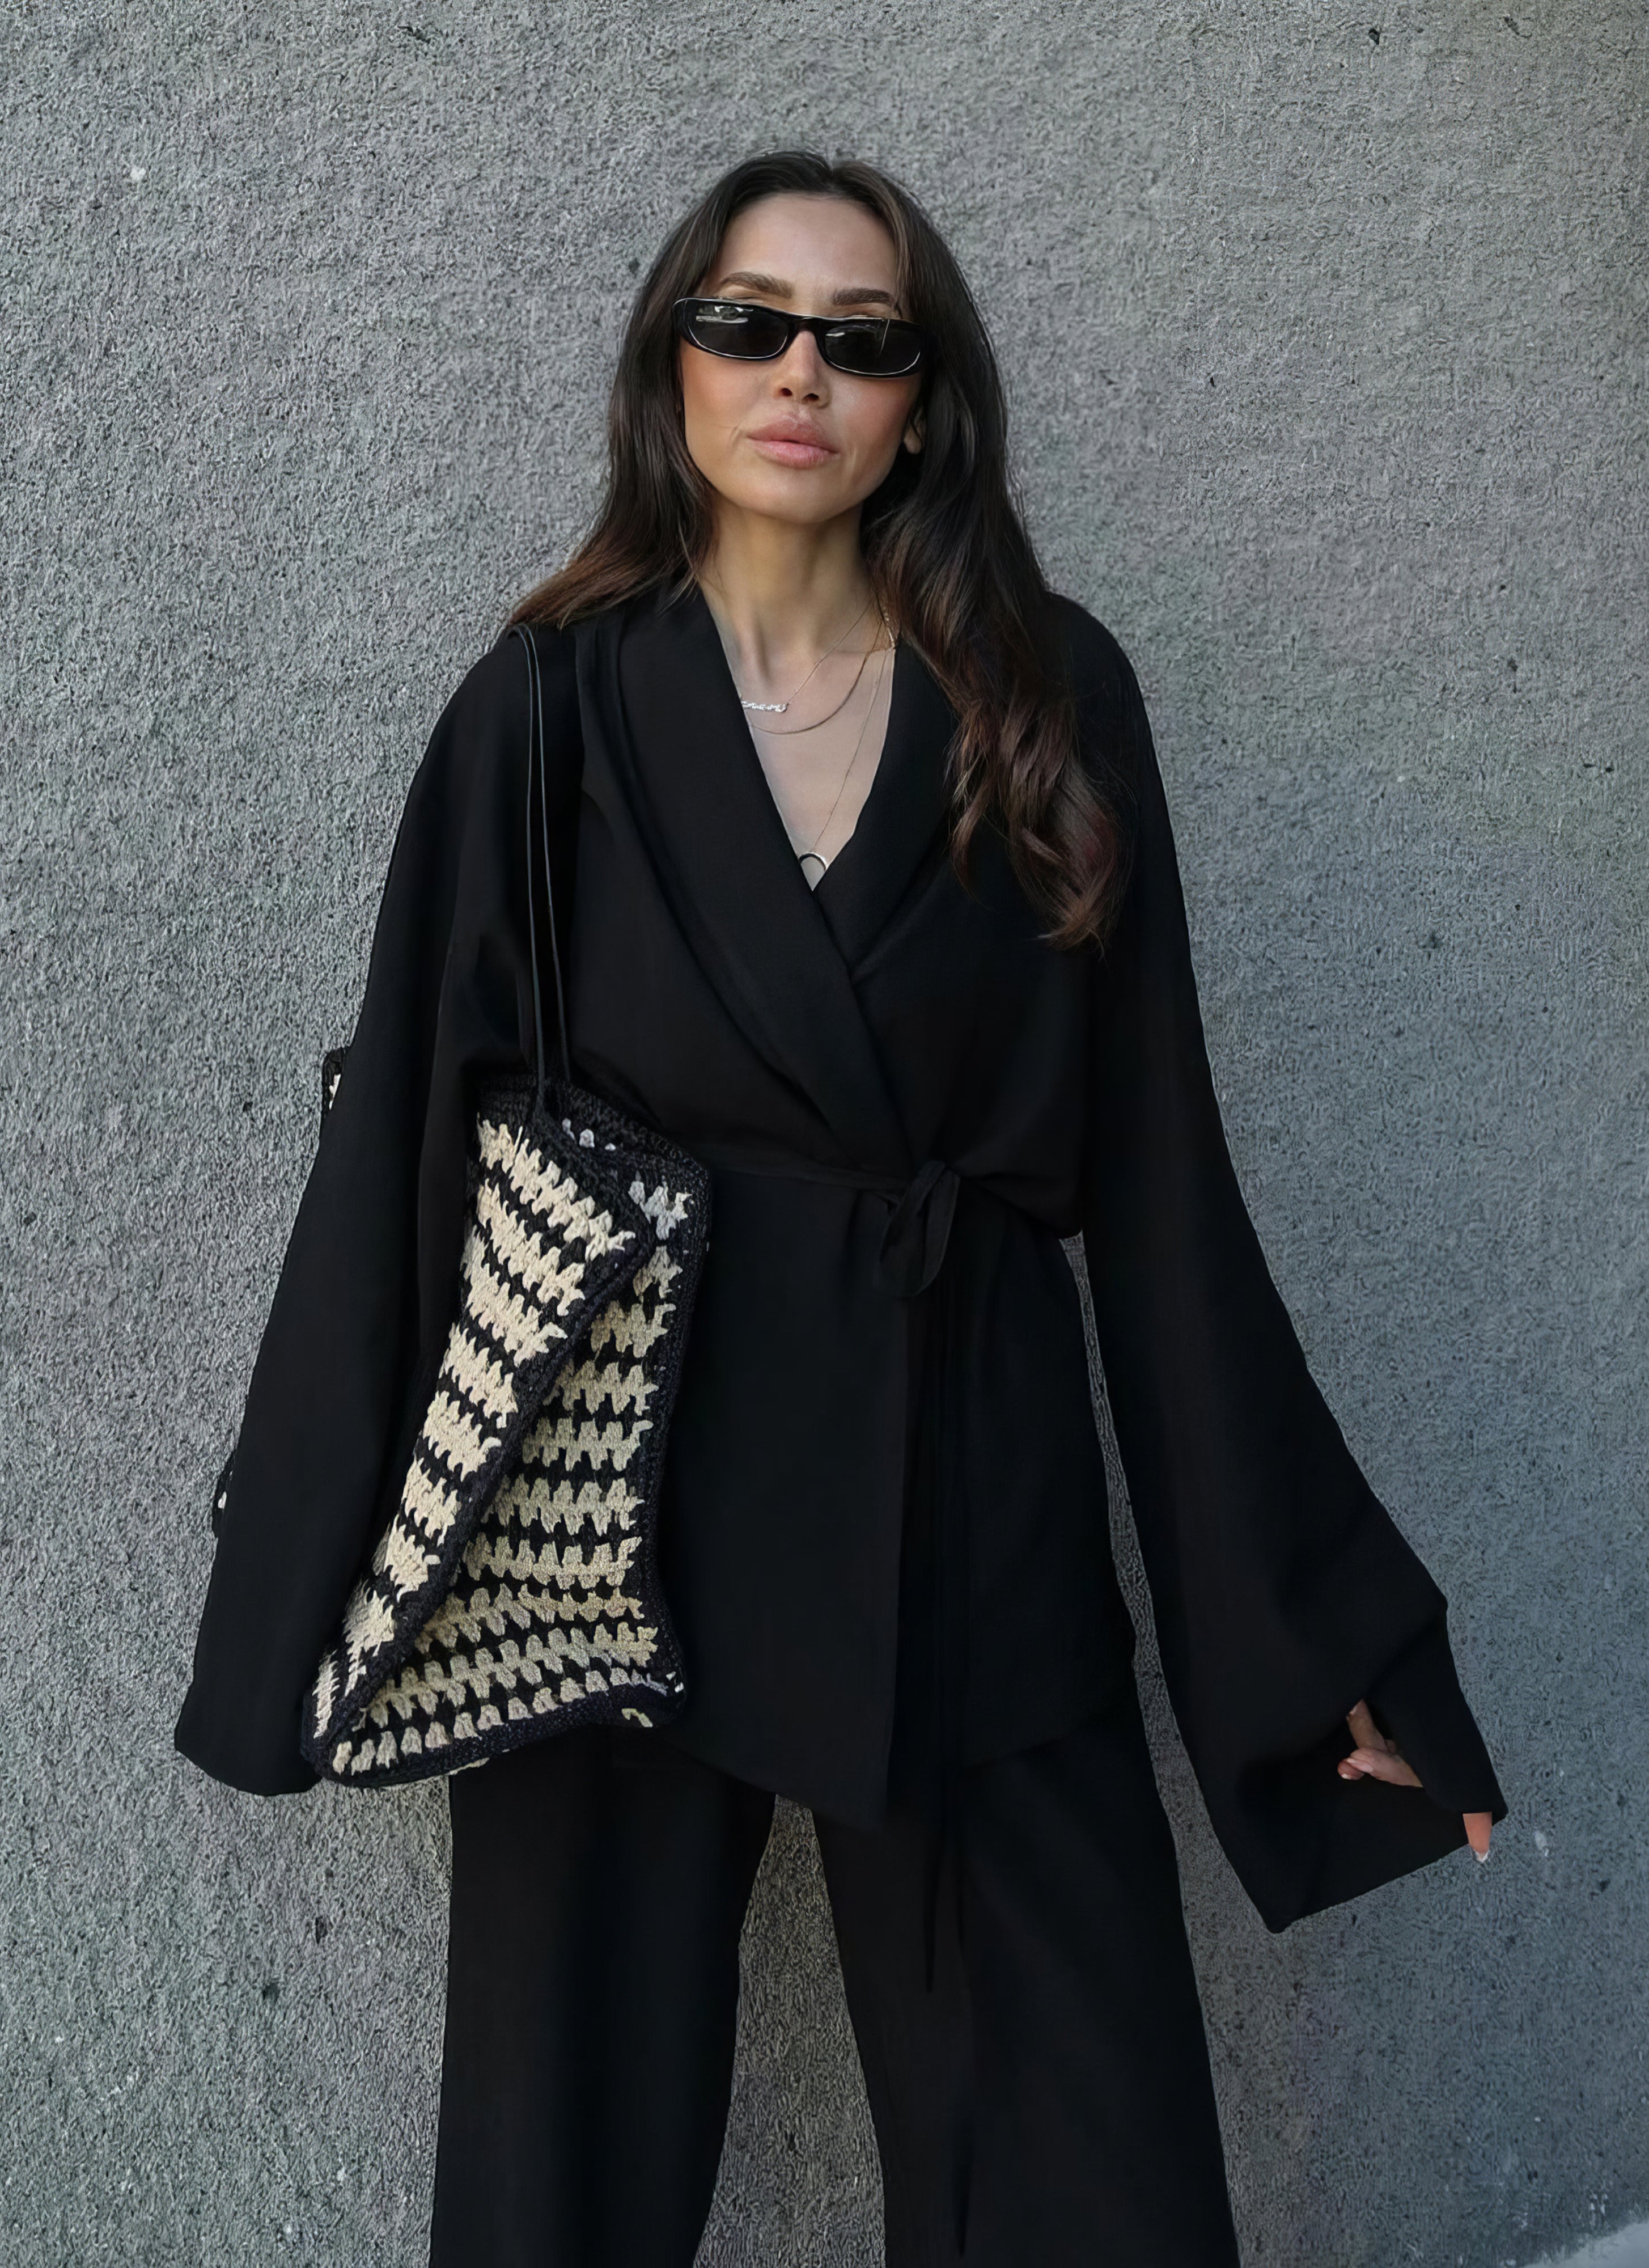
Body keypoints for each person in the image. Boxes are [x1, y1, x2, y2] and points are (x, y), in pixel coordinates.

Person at [174, 150, 1507, 2267]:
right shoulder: (548, 706)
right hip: (615, 1505)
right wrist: (291, 1589)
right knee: (558, 2169)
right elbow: (403, 1161)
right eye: (749, 322)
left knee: (1084, 2161)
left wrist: (1316, 1645)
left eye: (859, 339)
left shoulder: (1049, 696)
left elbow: (1162, 1188)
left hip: (968, 1476)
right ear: (673, 366)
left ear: (922, 400)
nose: (799, 373)